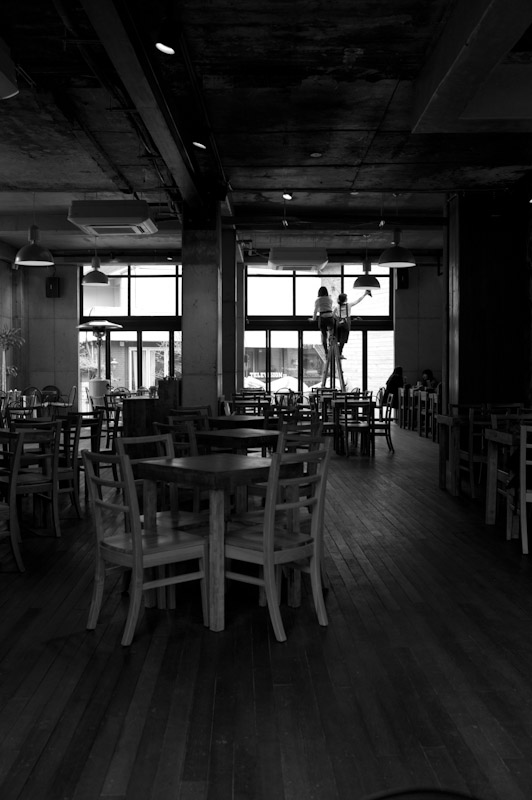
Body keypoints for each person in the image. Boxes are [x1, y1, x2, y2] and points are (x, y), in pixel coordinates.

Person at [332, 290, 372, 358]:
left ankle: (337, 351)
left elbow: (333, 315)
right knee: (343, 339)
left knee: (338, 338)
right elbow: (358, 300)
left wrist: (338, 318)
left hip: (339, 324)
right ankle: (339, 353)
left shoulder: (337, 306)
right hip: (346, 324)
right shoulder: (349, 305)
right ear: (345, 299)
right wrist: (364, 294)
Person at [310, 286, 334, 354]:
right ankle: (331, 345)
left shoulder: (318, 300)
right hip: (330, 317)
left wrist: (313, 319)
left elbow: (315, 311)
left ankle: (326, 351)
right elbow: (329, 307)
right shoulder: (330, 299)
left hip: (323, 317)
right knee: (331, 333)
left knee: (324, 335)